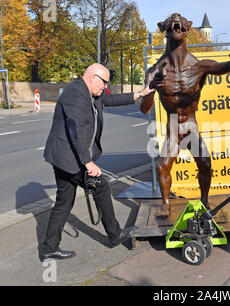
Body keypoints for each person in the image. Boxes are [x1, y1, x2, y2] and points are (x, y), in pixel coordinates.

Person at [140, 13, 230, 218]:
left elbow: (229, 67)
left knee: (206, 164)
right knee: (162, 166)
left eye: (180, 25)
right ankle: (165, 204)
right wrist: (152, 88)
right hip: (173, 125)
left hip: (191, 125)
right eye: (172, 26)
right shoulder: (154, 70)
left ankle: (204, 200)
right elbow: (145, 109)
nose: (176, 27)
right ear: (165, 31)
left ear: (187, 30)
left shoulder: (199, 66)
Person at [40, 63, 154, 261]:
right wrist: (88, 163)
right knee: (101, 186)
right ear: (93, 77)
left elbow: (109, 100)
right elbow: (74, 129)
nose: (105, 87)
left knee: (63, 202)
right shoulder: (75, 94)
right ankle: (115, 234)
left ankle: (49, 247)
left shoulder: (89, 93)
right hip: (69, 157)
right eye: (104, 83)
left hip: (65, 156)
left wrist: (141, 93)